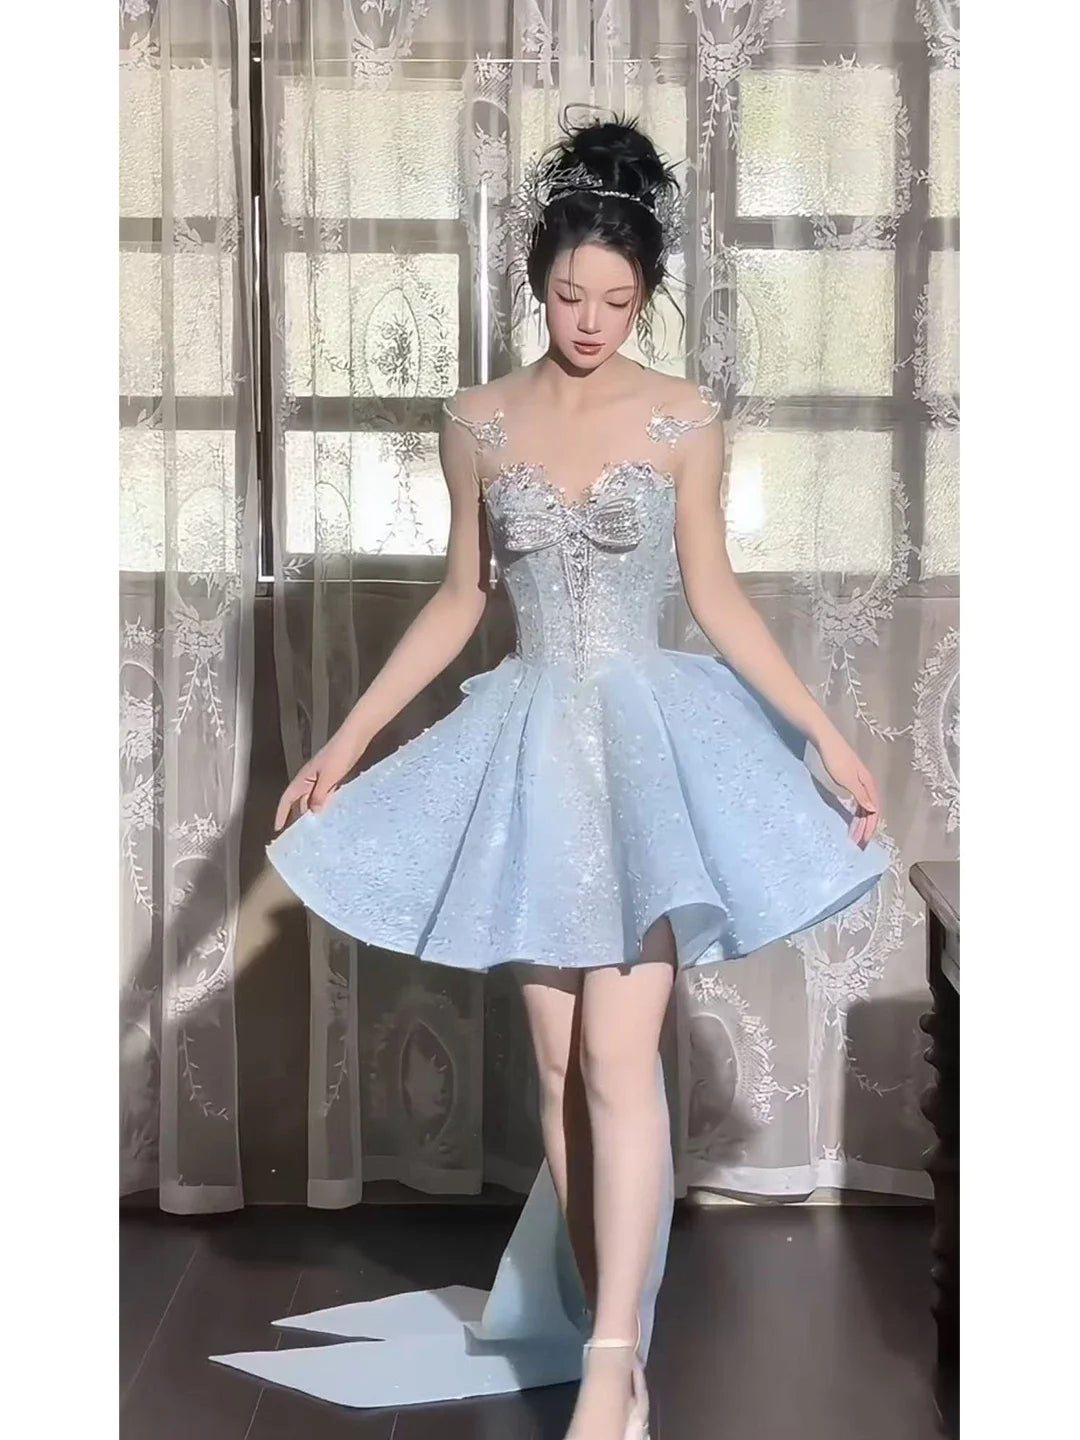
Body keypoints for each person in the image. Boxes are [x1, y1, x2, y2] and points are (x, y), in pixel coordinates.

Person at [211, 114, 886, 1440]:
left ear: (646, 297)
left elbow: (717, 599)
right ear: (538, 280)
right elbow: (461, 600)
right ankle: (607, 1337)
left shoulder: (683, 417)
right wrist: (347, 741)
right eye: (573, 295)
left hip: (645, 753)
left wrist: (823, 733)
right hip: (529, 753)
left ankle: (611, 1368)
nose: (592, 322)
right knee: (563, 1065)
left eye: (619, 302)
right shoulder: (478, 420)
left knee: (622, 1061)